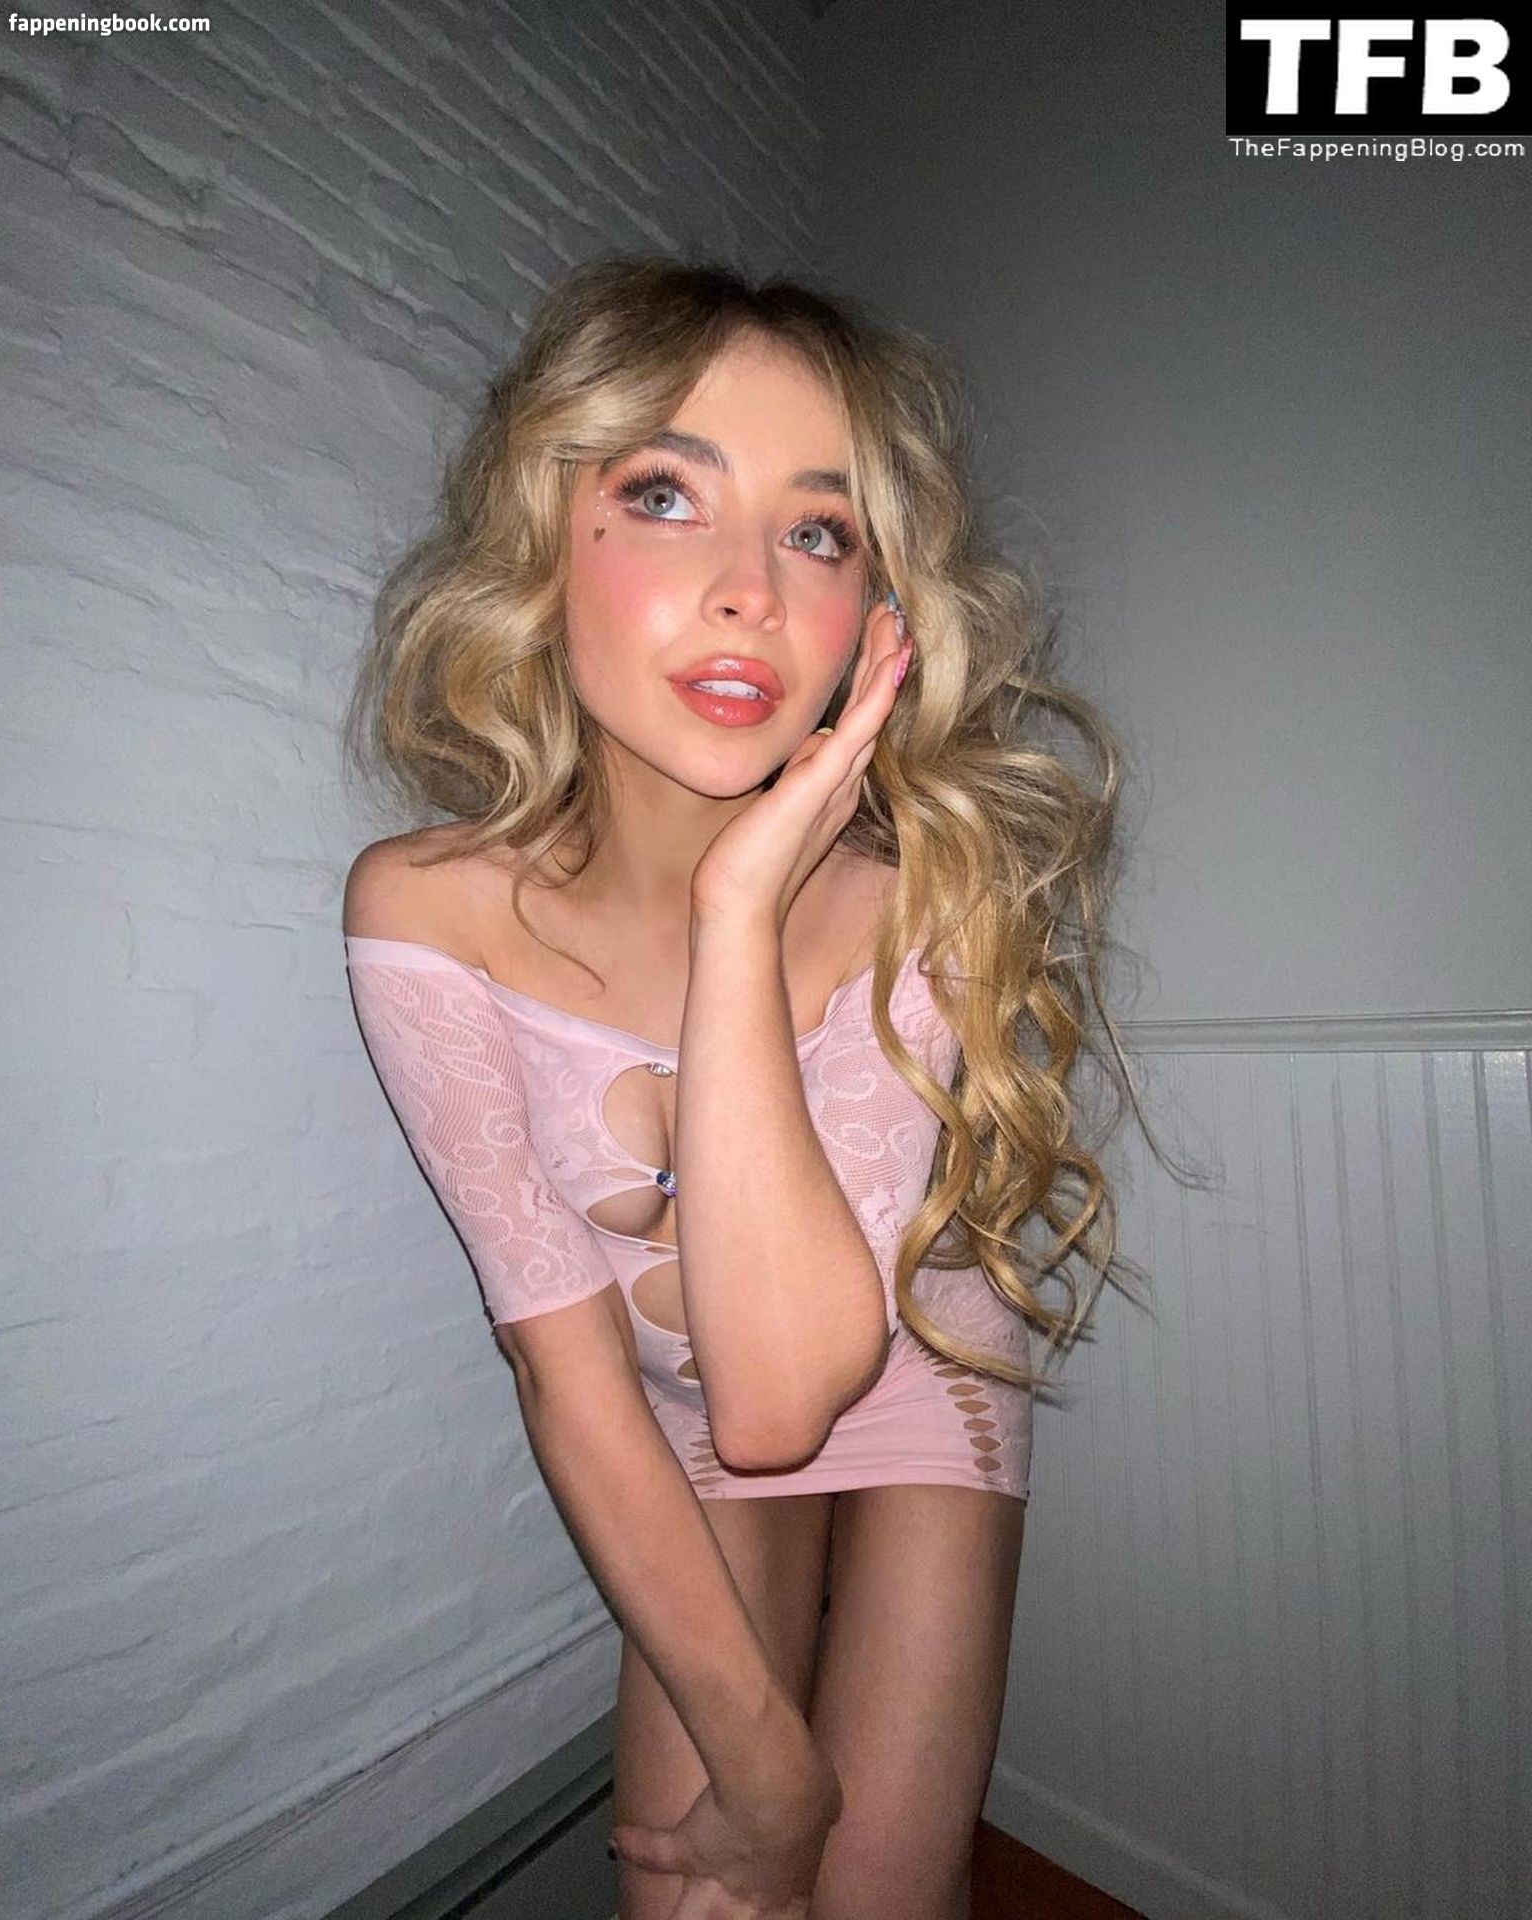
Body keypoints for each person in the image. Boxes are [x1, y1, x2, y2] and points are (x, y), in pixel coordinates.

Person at [340, 256, 1147, 1920]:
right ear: (543, 543)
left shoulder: (921, 899)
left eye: (819, 532)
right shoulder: (424, 910)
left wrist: (737, 916)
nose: (749, 594)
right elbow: (570, 1372)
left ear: (877, 618)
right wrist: (768, 1774)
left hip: (911, 1365)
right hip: (669, 1415)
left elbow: (781, 1401)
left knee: (881, 1897)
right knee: (708, 1895)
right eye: (664, 495)